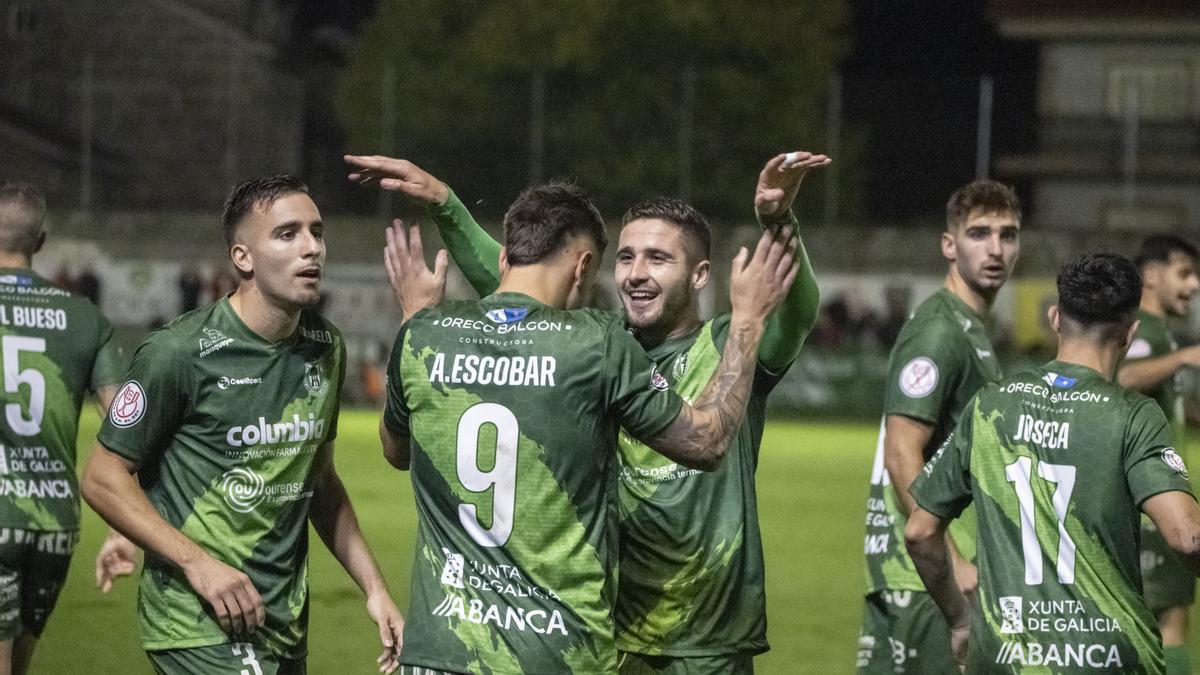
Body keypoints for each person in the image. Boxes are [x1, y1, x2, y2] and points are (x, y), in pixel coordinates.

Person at [346, 150, 826, 673]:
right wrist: (447, 204)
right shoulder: (597, 343)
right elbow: (518, 283)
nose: (636, 274)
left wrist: (778, 220)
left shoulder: (733, 343)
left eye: (658, 259)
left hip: (704, 636)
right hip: (606, 626)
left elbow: (799, 310)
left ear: (700, 274)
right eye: (625, 257)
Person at [80, 176, 405, 674]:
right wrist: (199, 564)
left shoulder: (325, 347)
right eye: (287, 234)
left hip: (281, 619)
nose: (312, 248)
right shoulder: (178, 353)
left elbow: (319, 483)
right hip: (196, 620)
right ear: (242, 258)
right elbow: (103, 477)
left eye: (317, 232)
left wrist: (376, 590)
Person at [906, 253, 1200, 673]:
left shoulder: (989, 406)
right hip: (1108, 657)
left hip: (1006, 657)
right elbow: (1188, 538)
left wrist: (960, 620)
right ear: (1130, 334)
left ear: (1055, 318)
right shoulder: (1133, 416)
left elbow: (919, 532)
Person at [857, 180, 1021, 673]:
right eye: (978, 233)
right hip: (933, 582)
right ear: (949, 245)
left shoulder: (969, 328)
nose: (995, 249)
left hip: (930, 578)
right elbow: (902, 450)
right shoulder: (939, 330)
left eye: (1008, 235)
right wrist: (951, 565)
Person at [0, 182, 124, 674]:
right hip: (54, 523)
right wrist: (120, 527)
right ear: (42, 241)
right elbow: (122, 427)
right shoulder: (85, 319)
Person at [1118, 235, 1200, 675]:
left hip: (1154, 499)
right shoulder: (1144, 332)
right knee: (1168, 618)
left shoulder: (1158, 333)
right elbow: (1123, 378)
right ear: (1150, 276)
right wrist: (1186, 356)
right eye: (1184, 272)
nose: (1195, 284)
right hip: (1152, 505)